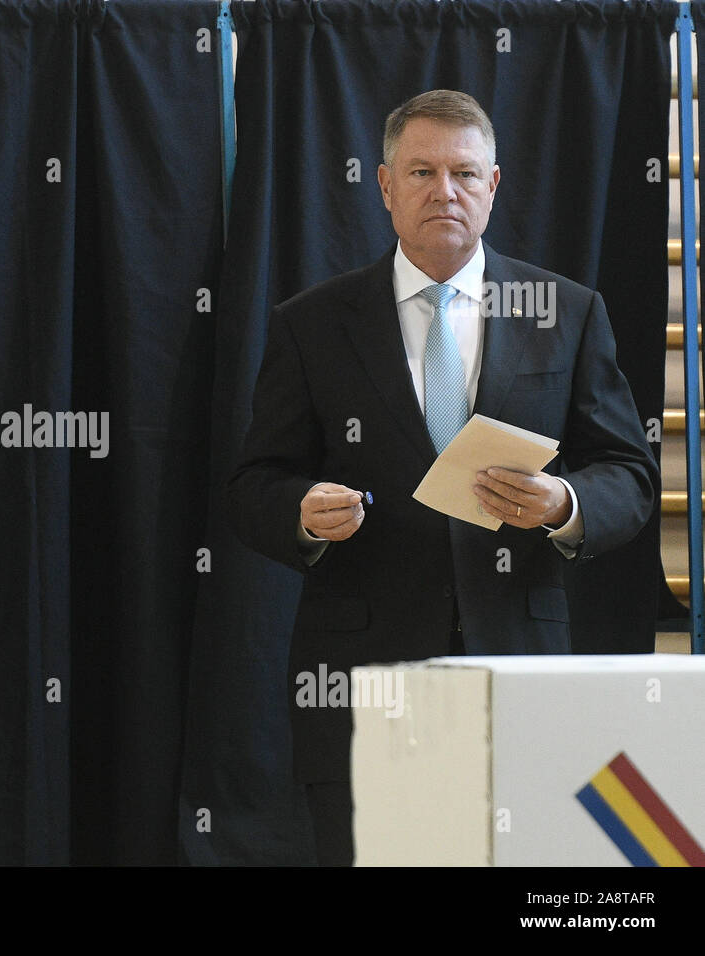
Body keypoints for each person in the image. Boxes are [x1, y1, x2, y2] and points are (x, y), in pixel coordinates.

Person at [226, 90, 658, 866]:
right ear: (386, 186)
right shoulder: (311, 322)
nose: (444, 191)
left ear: (494, 186)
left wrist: (566, 503)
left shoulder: (566, 311)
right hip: (362, 676)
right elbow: (255, 484)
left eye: (465, 173)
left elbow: (628, 472)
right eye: (421, 171)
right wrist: (300, 510)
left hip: (519, 663)